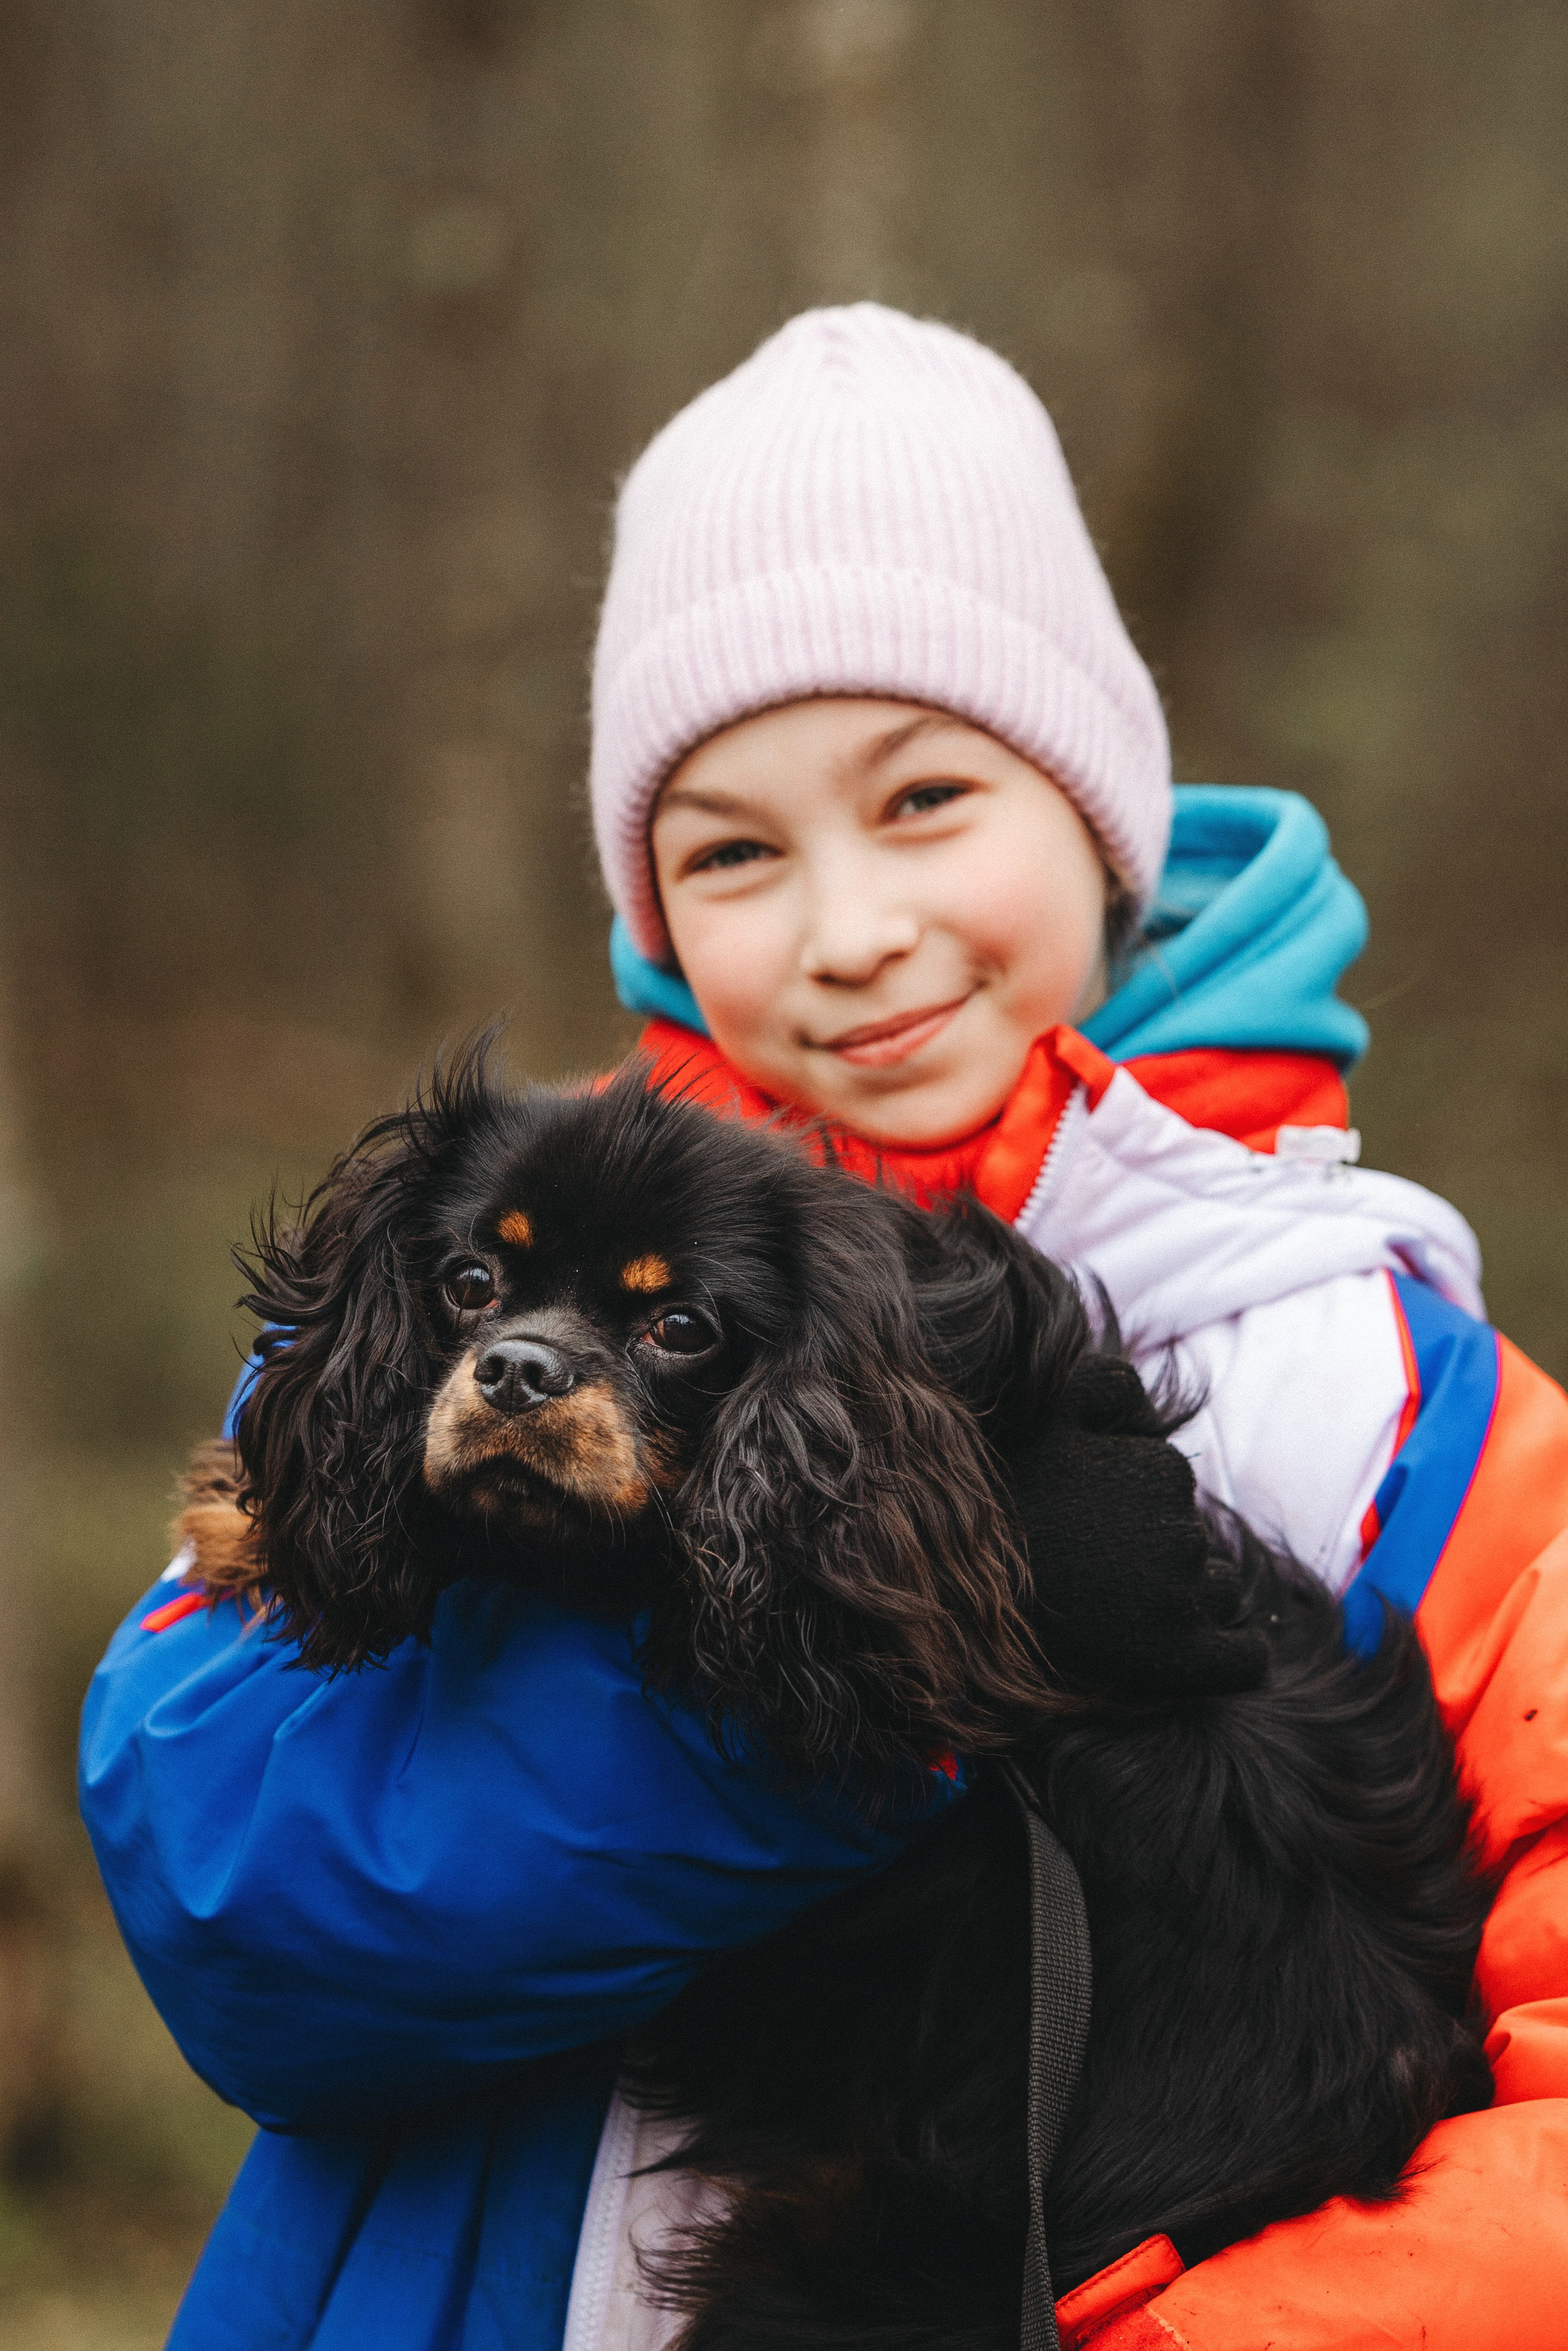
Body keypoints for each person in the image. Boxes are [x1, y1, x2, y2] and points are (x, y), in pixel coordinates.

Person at [81, 306, 1568, 2351]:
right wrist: (918, 1680)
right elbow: (231, 1907)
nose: (852, 929)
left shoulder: (1420, 1409)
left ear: (1100, 808)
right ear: (652, 904)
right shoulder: (441, 1276)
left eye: (930, 796)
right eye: (734, 851)